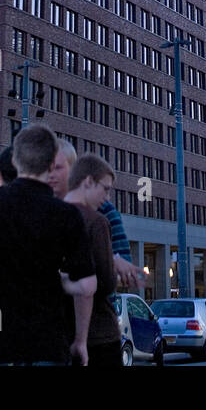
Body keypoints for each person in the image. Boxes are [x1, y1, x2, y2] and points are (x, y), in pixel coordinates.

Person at [0, 125, 96, 365]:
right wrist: (62, 283)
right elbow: (87, 286)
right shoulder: (66, 215)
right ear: (51, 165)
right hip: (44, 340)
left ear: (15, 160)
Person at [64, 154, 122, 367]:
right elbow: (106, 283)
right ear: (87, 181)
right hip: (99, 334)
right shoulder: (96, 222)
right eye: (105, 189)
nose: (107, 198)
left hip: (59, 333)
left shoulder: (49, 215)